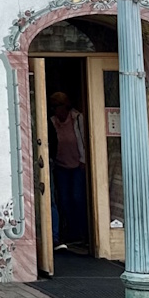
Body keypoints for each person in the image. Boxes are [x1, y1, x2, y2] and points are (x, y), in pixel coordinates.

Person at [48, 90, 89, 249]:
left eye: (57, 106)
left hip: (78, 165)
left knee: (78, 198)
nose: (55, 110)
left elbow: (84, 140)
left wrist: (84, 160)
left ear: (65, 106)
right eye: (53, 107)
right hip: (60, 166)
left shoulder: (77, 119)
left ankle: (82, 233)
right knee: (64, 200)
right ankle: (70, 232)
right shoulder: (52, 122)